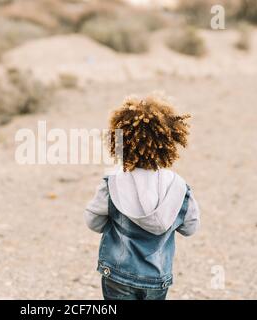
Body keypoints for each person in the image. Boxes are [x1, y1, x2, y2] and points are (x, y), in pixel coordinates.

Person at [84, 94, 200, 300]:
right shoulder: (179, 187)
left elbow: (93, 222)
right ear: (169, 140)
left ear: (119, 141)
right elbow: (190, 228)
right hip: (157, 277)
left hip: (118, 274)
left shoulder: (113, 183)